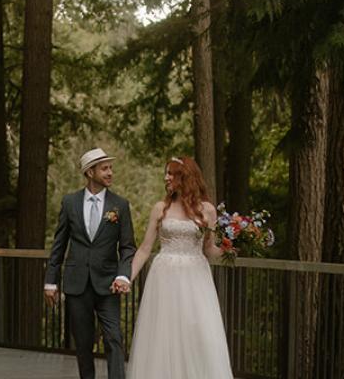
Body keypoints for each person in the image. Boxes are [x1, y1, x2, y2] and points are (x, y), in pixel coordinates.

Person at [126, 156, 234, 378]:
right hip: (164, 278)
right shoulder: (160, 208)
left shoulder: (207, 210)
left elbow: (209, 249)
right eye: (165, 173)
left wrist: (230, 249)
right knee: (164, 336)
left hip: (195, 279)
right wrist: (127, 278)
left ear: (184, 177)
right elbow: (145, 249)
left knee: (199, 334)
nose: (165, 177)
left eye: (170, 173)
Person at [46, 147, 138, 379]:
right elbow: (59, 245)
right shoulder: (70, 203)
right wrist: (50, 282)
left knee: (114, 338)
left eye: (110, 168)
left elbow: (127, 247)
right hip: (77, 285)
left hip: (108, 284)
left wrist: (123, 275)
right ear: (90, 172)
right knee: (84, 344)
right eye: (104, 168)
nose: (110, 173)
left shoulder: (120, 205)